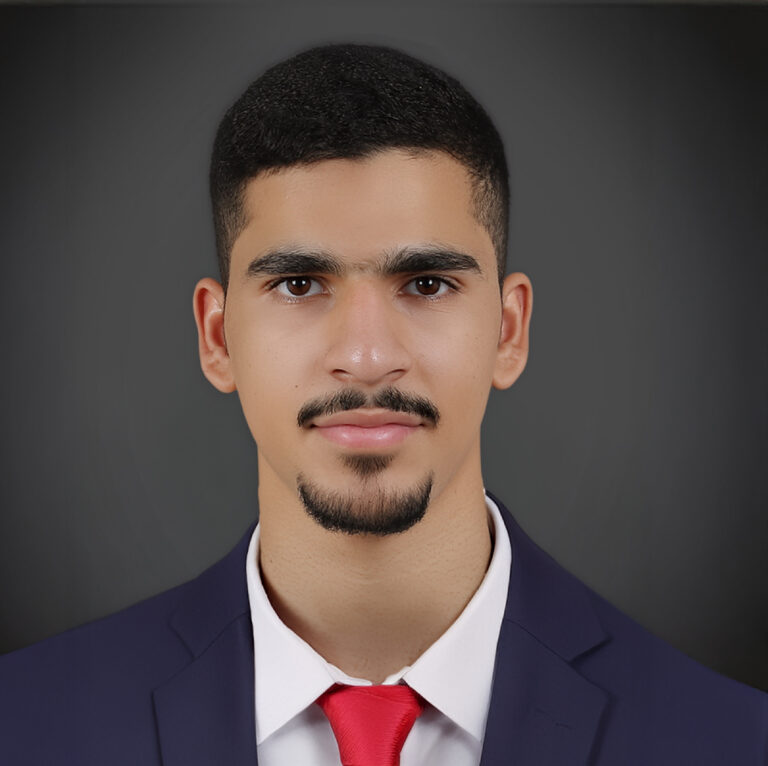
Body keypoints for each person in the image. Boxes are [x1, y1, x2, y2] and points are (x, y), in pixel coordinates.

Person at [0, 43, 765, 766]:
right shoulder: (26, 728)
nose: (366, 357)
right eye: (299, 285)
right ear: (217, 337)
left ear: (508, 329)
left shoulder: (730, 743)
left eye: (426, 284)